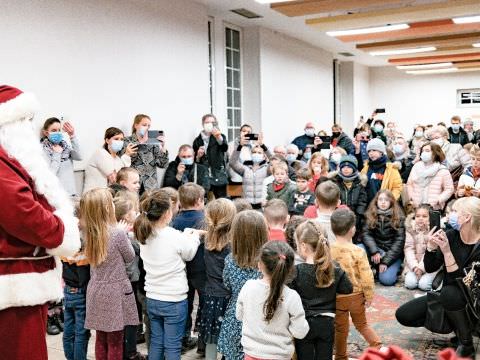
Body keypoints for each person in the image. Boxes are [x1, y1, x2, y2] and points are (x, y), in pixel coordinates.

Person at [0, 85, 81, 360]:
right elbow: (22, 212)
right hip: (15, 285)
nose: (29, 128)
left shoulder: (10, 159)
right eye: (25, 120)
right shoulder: (2, 163)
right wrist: (61, 232)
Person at [395, 197, 480, 358]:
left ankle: (466, 343)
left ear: (467, 217)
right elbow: (430, 267)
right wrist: (431, 248)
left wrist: (447, 252)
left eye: (455, 212)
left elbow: (461, 282)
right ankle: (460, 328)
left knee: (450, 292)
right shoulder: (452, 235)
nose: (449, 217)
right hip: (451, 299)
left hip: (474, 300)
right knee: (404, 314)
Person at [135, 189, 201, 359]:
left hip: (152, 298)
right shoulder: (173, 236)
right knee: (172, 346)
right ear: (166, 213)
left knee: (156, 342)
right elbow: (189, 253)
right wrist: (194, 237)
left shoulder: (144, 234)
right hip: (174, 300)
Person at [82, 188, 139, 359]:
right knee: (115, 340)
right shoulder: (117, 233)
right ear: (107, 208)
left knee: (100, 338)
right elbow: (130, 256)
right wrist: (124, 234)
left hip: (95, 290)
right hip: (115, 292)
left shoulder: (88, 233)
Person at [290, 220, 353, 360]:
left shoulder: (296, 272)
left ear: (303, 246)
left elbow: (288, 295)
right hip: (327, 323)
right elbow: (348, 288)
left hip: (303, 323)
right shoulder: (334, 269)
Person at [236, 241, 310, 360]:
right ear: (289, 269)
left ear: (260, 264)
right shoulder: (291, 296)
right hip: (281, 355)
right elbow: (300, 332)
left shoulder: (248, 286)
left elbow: (239, 315)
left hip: (251, 354)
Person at [330, 208, 381, 360]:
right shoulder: (358, 251)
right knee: (362, 324)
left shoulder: (327, 250)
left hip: (337, 297)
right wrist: (369, 295)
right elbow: (367, 275)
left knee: (341, 329)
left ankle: (340, 356)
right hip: (357, 296)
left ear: (333, 229)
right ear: (352, 230)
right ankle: (377, 346)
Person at [217, 210, 268, 360]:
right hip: (260, 316)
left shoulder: (230, 260)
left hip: (236, 316)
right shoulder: (267, 261)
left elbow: (227, 284)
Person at [170, 183, 206, 354]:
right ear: (199, 201)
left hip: (181, 269)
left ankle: (183, 337)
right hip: (202, 269)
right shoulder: (204, 219)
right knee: (205, 303)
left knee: (185, 304)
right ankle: (204, 341)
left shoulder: (174, 220)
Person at [199, 199, 236, 360]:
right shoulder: (233, 245)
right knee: (231, 340)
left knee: (211, 339)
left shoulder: (207, 240)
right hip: (229, 297)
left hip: (210, 296)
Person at [113, 195, 145, 360]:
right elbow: (131, 254)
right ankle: (130, 352)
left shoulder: (117, 231)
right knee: (130, 319)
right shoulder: (121, 234)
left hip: (124, 281)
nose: (136, 212)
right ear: (126, 216)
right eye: (133, 210)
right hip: (127, 281)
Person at [61, 202, 91, 360]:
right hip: (81, 291)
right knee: (81, 332)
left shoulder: (65, 241)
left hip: (68, 290)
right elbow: (85, 272)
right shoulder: (84, 243)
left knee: (68, 329)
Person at [362, 190, 405, 286]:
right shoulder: (370, 214)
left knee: (387, 280)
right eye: (380, 199)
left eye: (386, 200)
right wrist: (374, 251)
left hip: (390, 254)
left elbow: (399, 241)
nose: (383, 202)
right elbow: (366, 234)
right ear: (376, 201)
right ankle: (373, 269)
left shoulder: (399, 216)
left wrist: (385, 261)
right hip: (376, 251)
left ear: (391, 202)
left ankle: (389, 268)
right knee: (360, 248)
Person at [124, 114, 169, 192]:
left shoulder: (153, 143)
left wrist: (163, 147)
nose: (147, 128)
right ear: (136, 125)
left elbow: (163, 165)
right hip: (132, 185)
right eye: (144, 125)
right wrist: (142, 142)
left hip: (150, 187)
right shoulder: (127, 141)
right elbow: (125, 163)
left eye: (148, 126)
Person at [84, 127, 136, 193]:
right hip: (93, 196)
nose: (119, 142)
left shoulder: (118, 159)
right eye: (116, 139)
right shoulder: (100, 153)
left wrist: (127, 155)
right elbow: (114, 179)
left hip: (106, 196)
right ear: (107, 140)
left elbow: (123, 176)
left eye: (121, 139)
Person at [328, 155, 367, 243]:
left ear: (354, 169)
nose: (346, 169)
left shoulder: (360, 184)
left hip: (355, 219)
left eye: (349, 167)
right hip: (338, 218)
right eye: (343, 167)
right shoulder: (335, 182)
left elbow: (362, 203)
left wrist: (356, 219)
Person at [406, 143, 454, 211]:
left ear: (435, 153)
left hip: (434, 208)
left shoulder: (442, 170)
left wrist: (439, 199)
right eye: (422, 151)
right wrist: (411, 198)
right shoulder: (416, 167)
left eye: (427, 151)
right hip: (416, 206)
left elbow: (449, 189)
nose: (424, 153)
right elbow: (409, 184)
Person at [41, 117, 82, 196]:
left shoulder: (65, 147)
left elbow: (79, 157)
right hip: (56, 196)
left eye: (59, 130)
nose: (57, 133)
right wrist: (57, 153)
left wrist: (72, 136)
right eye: (54, 130)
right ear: (46, 133)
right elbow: (50, 174)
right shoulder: (43, 150)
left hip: (71, 192)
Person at [404, 205, 439, 291]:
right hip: (414, 266)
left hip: (430, 266)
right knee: (410, 283)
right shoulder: (410, 229)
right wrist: (415, 267)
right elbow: (409, 249)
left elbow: (430, 251)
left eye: (424, 216)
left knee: (424, 285)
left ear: (430, 217)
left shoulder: (434, 230)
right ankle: (416, 273)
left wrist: (421, 268)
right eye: (418, 216)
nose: (420, 218)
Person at [193, 114, 229, 199]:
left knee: (221, 201)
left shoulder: (221, 136)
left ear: (215, 124)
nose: (209, 124)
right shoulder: (197, 140)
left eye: (212, 122)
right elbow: (195, 161)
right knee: (203, 200)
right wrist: (198, 156)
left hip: (218, 174)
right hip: (204, 174)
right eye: (207, 122)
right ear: (203, 124)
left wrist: (218, 137)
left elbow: (224, 148)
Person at [230, 140, 270, 209]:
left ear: (264, 156)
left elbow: (275, 161)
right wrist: (240, 146)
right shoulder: (245, 168)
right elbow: (232, 162)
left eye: (259, 152)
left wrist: (263, 146)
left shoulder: (267, 169)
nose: (256, 154)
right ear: (251, 154)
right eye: (254, 152)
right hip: (247, 205)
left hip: (262, 206)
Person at [360, 138, 403, 204]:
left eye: (374, 150)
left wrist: (388, 201)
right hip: (368, 206)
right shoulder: (366, 167)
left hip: (384, 206)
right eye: (369, 151)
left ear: (381, 152)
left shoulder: (391, 168)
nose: (371, 153)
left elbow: (397, 187)